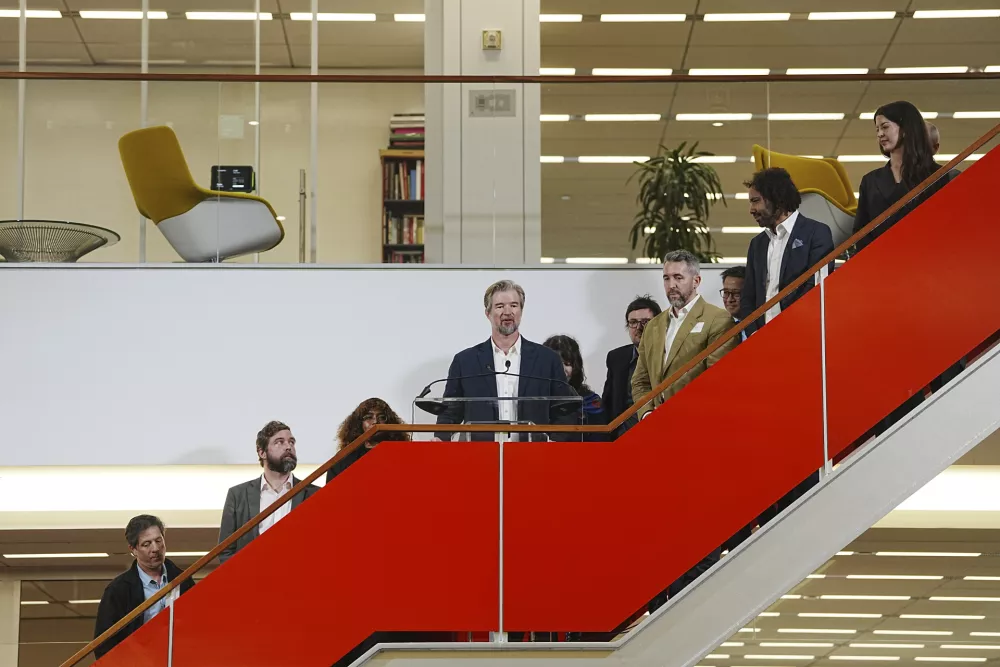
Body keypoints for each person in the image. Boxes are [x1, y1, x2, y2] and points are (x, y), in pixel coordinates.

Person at [434, 280, 578, 441]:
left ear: (521, 311)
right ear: (488, 313)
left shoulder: (547, 359)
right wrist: (441, 439)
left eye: (514, 305)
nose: (508, 312)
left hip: (534, 452)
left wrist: (555, 444)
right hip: (481, 452)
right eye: (500, 306)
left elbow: (564, 411)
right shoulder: (465, 361)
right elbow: (450, 412)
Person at [632, 250, 737, 420]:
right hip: (656, 426)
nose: (671, 285)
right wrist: (647, 414)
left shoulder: (718, 319)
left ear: (696, 281)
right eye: (666, 278)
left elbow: (717, 380)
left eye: (678, 277)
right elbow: (640, 381)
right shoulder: (653, 325)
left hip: (697, 422)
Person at [738, 168, 835, 336]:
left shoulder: (816, 233)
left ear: (777, 199)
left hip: (801, 334)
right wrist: (754, 333)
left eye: (755, 201)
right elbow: (748, 297)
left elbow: (815, 287)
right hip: (761, 339)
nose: (751, 209)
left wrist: (789, 328)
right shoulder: (757, 244)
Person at [218, 420, 320, 563]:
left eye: (291, 442)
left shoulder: (314, 494)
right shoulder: (237, 495)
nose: (288, 447)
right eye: (279, 442)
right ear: (262, 452)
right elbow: (225, 552)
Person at [94, 515, 194, 659]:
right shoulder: (118, 590)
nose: (155, 549)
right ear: (133, 549)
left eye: (158, 541)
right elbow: (103, 644)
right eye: (147, 544)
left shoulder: (183, 580)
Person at [852, 101, 942, 253]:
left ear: (906, 128)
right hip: (881, 261)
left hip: (928, 259)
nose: (880, 134)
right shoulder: (870, 181)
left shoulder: (940, 176)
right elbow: (861, 233)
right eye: (877, 129)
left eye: (885, 127)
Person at [602, 294, 661, 435]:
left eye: (645, 322)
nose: (638, 328)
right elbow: (608, 402)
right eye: (633, 322)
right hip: (622, 433)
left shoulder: (669, 355)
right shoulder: (616, 357)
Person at [327, 398, 409, 483]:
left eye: (381, 417)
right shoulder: (345, 457)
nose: (375, 421)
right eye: (369, 417)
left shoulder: (401, 455)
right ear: (359, 423)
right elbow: (331, 489)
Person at [543, 335, 606, 435]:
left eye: (567, 364)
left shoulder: (590, 401)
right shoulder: (535, 399)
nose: (562, 370)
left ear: (576, 366)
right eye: (557, 364)